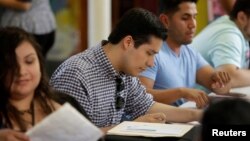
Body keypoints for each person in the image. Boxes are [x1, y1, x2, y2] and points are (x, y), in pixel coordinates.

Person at [50, 8, 203, 133]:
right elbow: (71, 136)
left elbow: (147, 106)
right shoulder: (76, 74)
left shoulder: (126, 71)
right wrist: (130, 127)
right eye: (149, 53)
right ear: (128, 42)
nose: (151, 63)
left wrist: (200, 115)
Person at [0, 27, 88, 141]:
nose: (21, 71)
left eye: (29, 61)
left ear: (40, 63)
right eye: (11, 64)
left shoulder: (64, 102)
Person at [139, 0, 231, 108]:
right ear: (165, 21)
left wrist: (222, 83)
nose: (192, 24)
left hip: (185, 120)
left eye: (194, 17)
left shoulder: (191, 52)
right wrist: (180, 92)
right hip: (162, 123)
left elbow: (219, 86)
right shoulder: (153, 54)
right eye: (185, 18)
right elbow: (140, 97)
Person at [191, 0, 250, 88]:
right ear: (242, 17)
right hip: (190, 100)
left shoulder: (230, 23)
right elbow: (229, 78)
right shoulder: (229, 34)